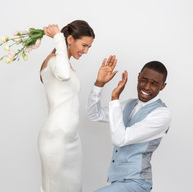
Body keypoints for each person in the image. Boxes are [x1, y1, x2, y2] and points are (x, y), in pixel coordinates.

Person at [86, 56, 171, 192]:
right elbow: (94, 114)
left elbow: (120, 139)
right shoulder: (129, 104)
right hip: (117, 182)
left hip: (137, 183)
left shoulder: (161, 114)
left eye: (154, 83)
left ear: (163, 86)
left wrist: (115, 98)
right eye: (144, 80)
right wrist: (99, 84)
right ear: (138, 77)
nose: (146, 87)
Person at [38, 20, 95, 192]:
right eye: (84, 45)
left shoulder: (65, 63)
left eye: (89, 47)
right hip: (56, 137)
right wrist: (57, 37)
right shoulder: (54, 62)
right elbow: (63, 75)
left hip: (72, 139)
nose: (85, 51)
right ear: (69, 40)